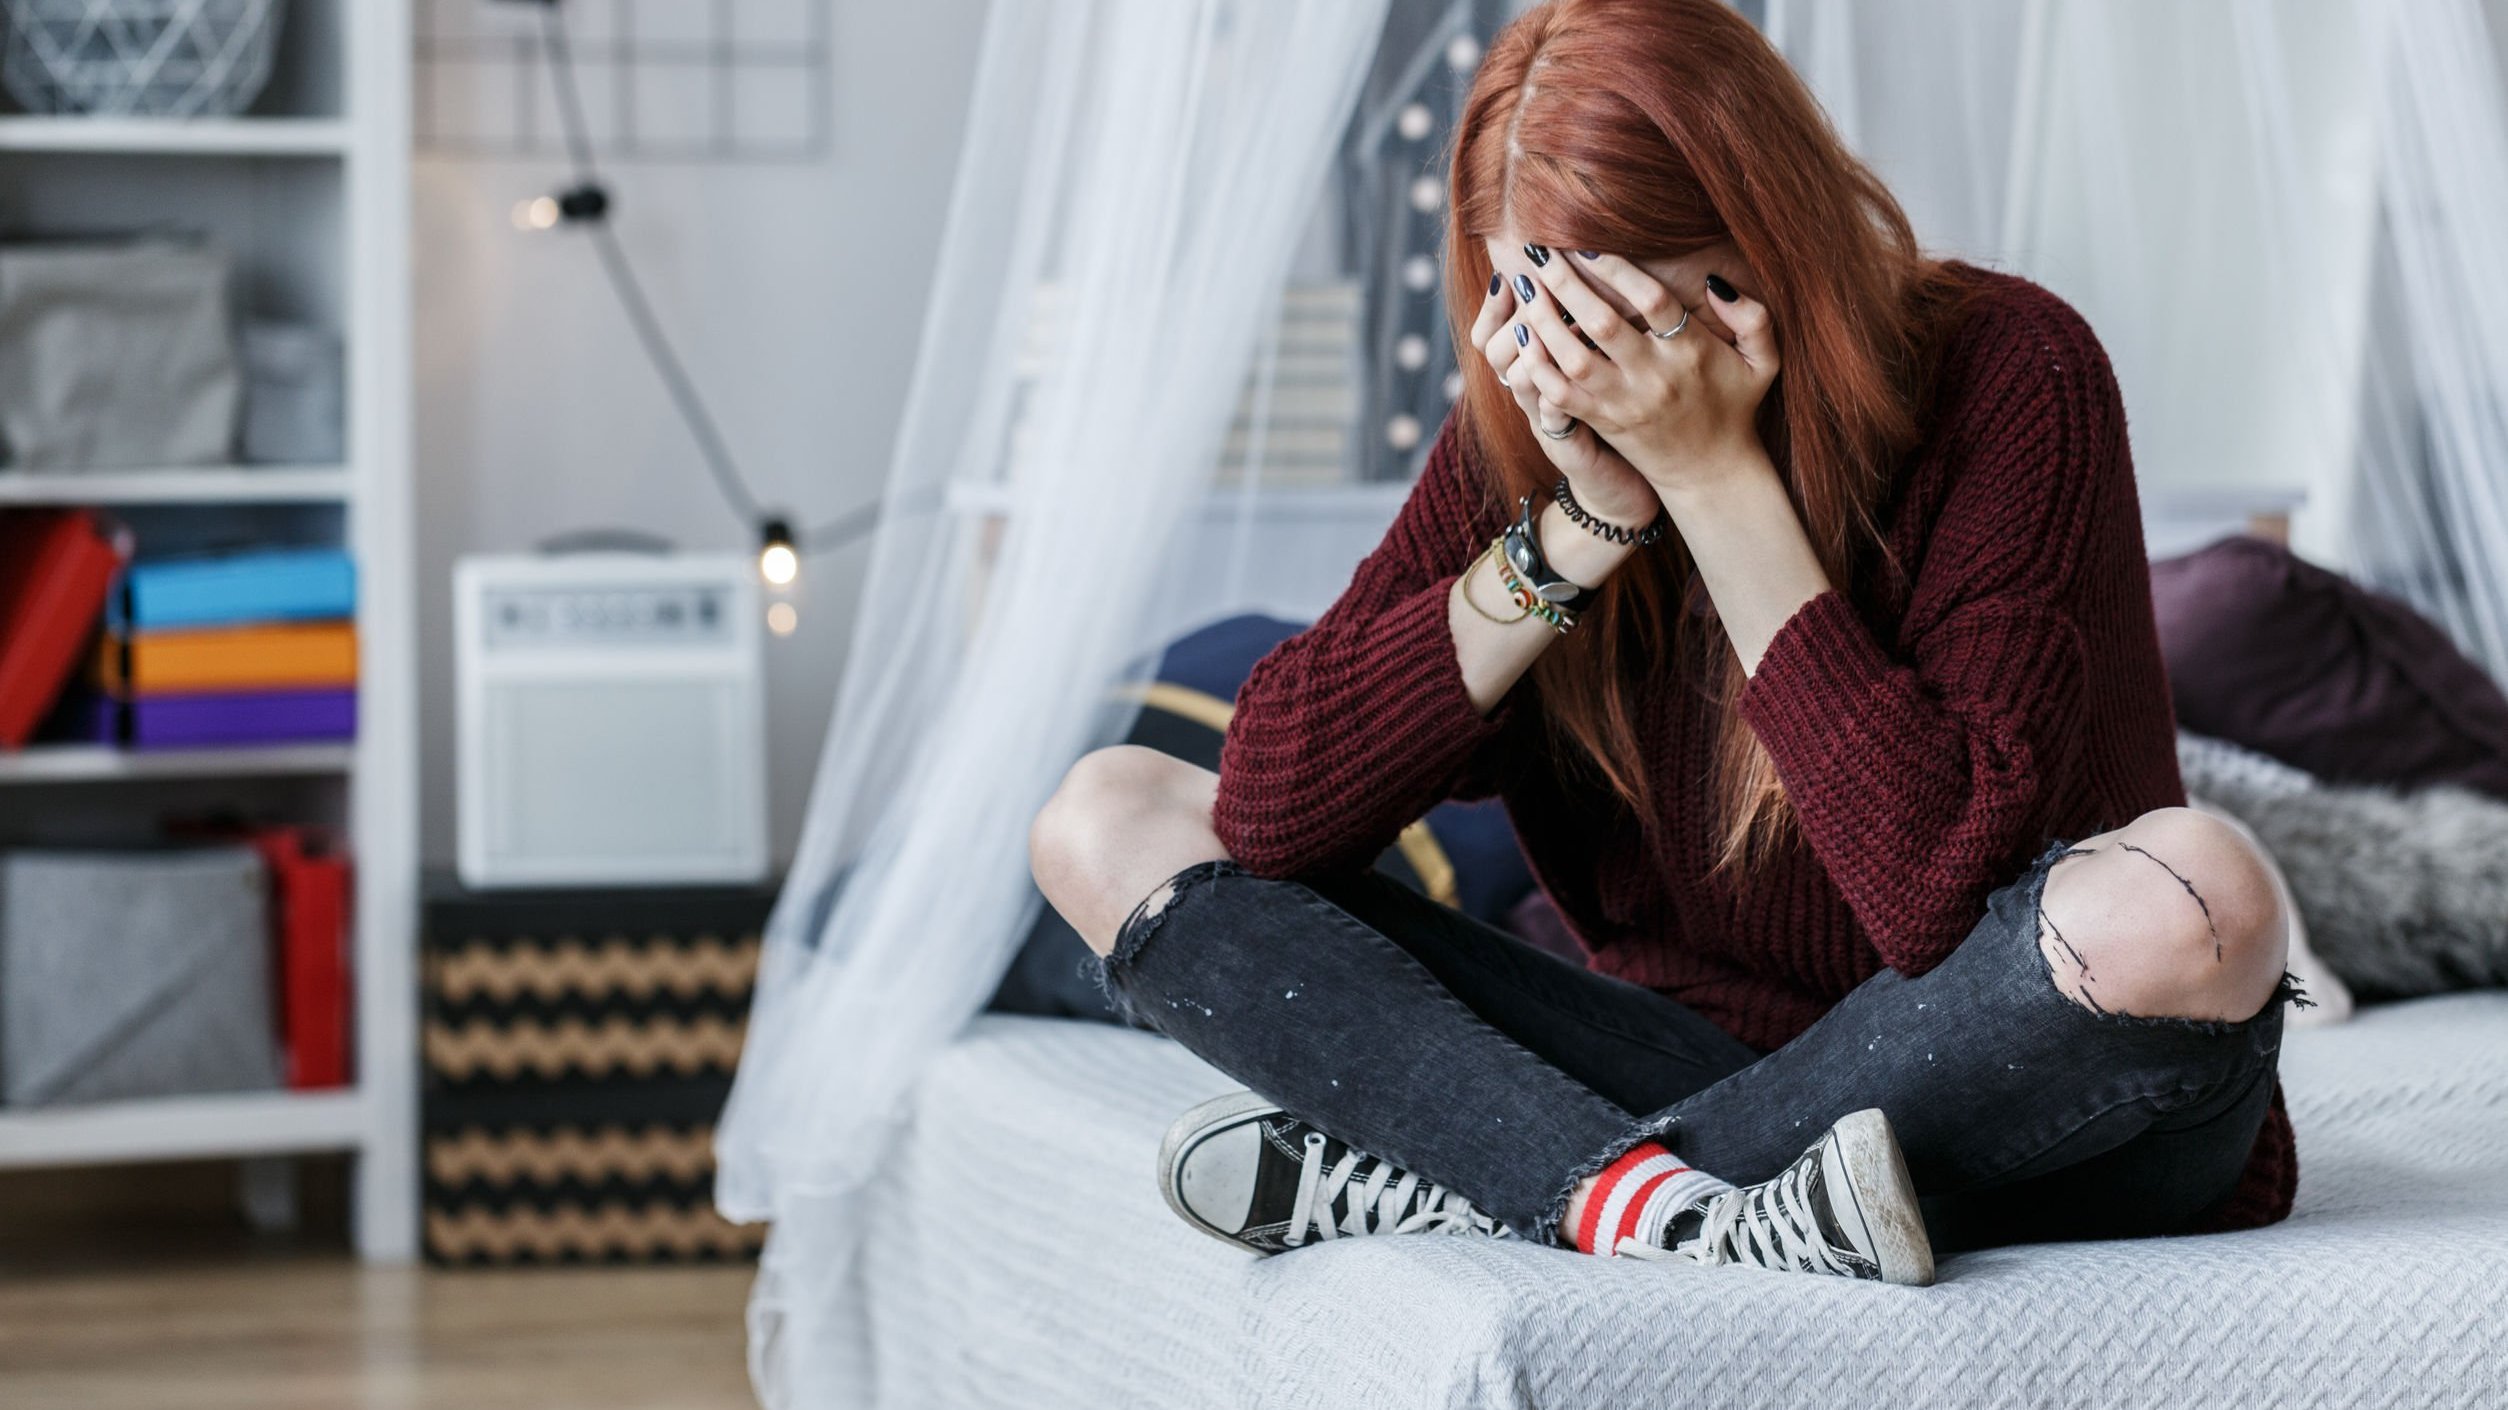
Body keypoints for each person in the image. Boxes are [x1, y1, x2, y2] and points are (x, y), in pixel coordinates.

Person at [1026, 0, 2300, 1286]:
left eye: (1633, 311)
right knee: (1109, 809)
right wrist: (1582, 525)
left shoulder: (2012, 368)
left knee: (2198, 889)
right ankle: (1657, 1210)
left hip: (2022, 1075)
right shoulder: (1534, 426)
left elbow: (1934, 900)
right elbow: (1273, 815)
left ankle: (1503, 1180)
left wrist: (1713, 478)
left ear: (1769, 242)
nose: (1591, 363)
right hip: (1678, 1056)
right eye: (1540, 302)